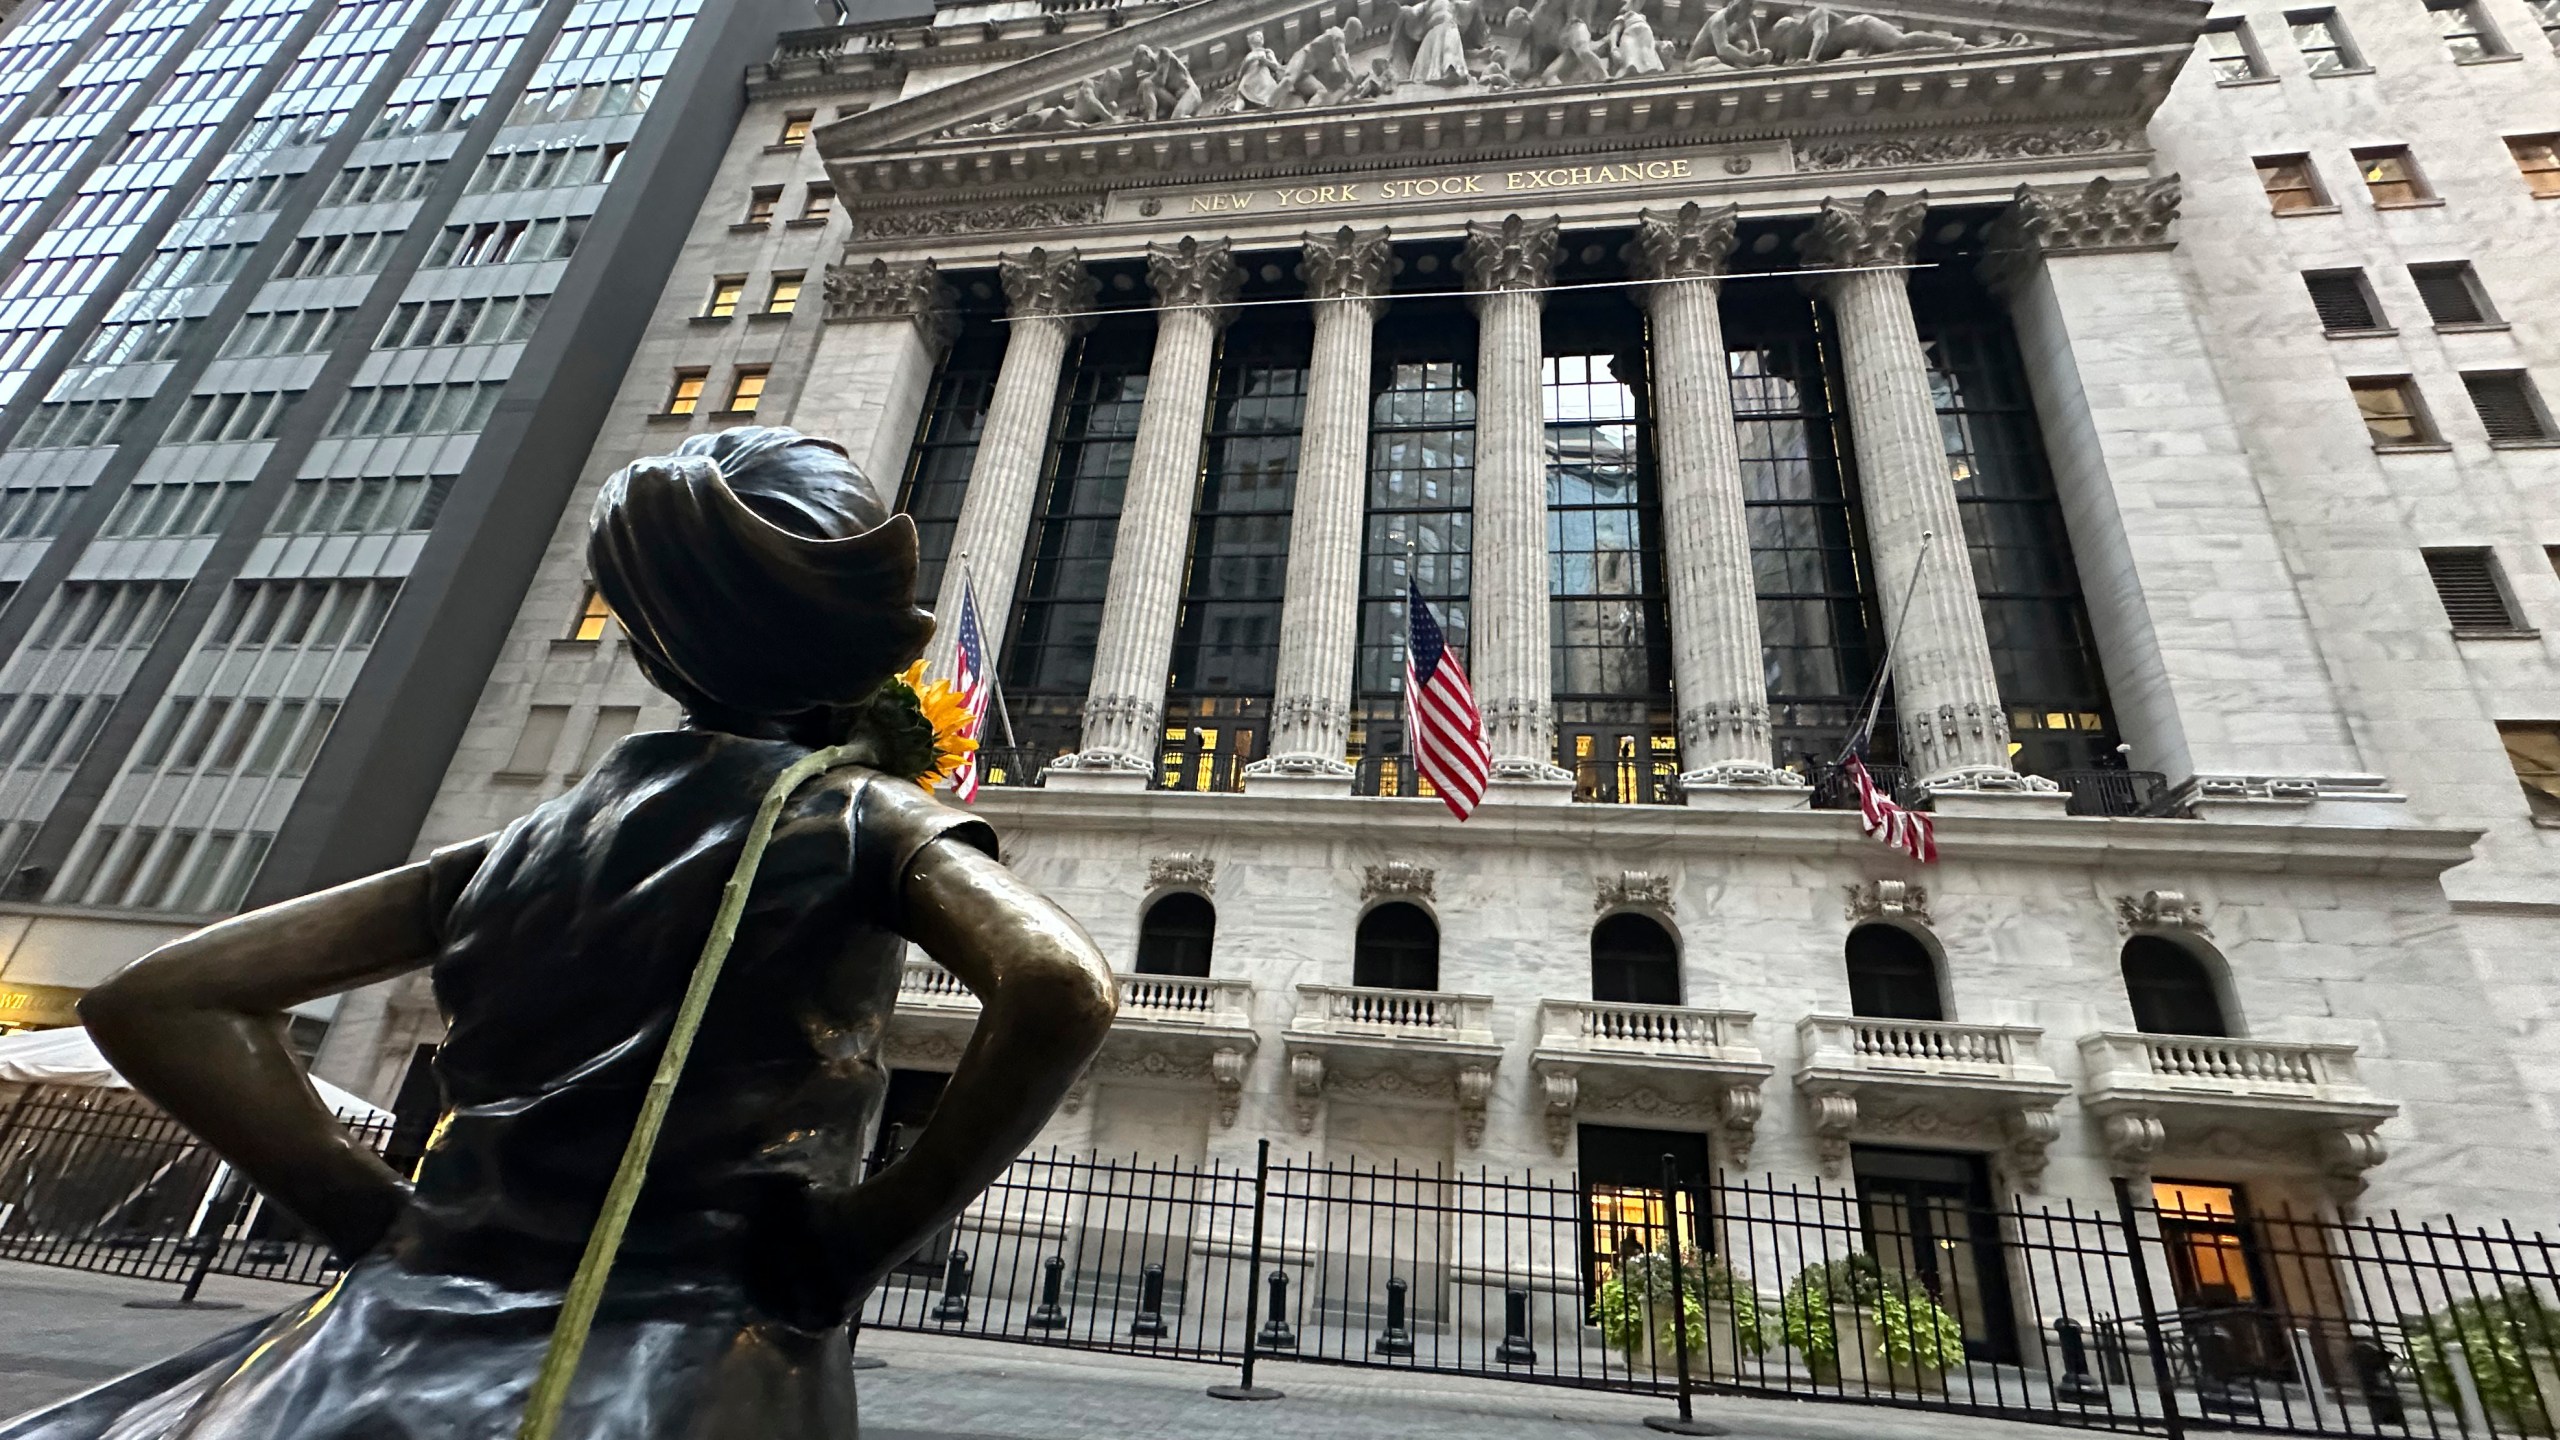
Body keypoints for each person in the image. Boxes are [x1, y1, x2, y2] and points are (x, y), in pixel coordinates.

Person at [2, 427, 1117, 1440]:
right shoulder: (862, 817)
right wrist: (864, 1237)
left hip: (376, 1352)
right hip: (675, 1362)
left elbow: (158, 999)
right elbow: (1060, 983)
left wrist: (376, 1221)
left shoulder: (505, 851)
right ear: (874, 650)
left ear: (643, 650)